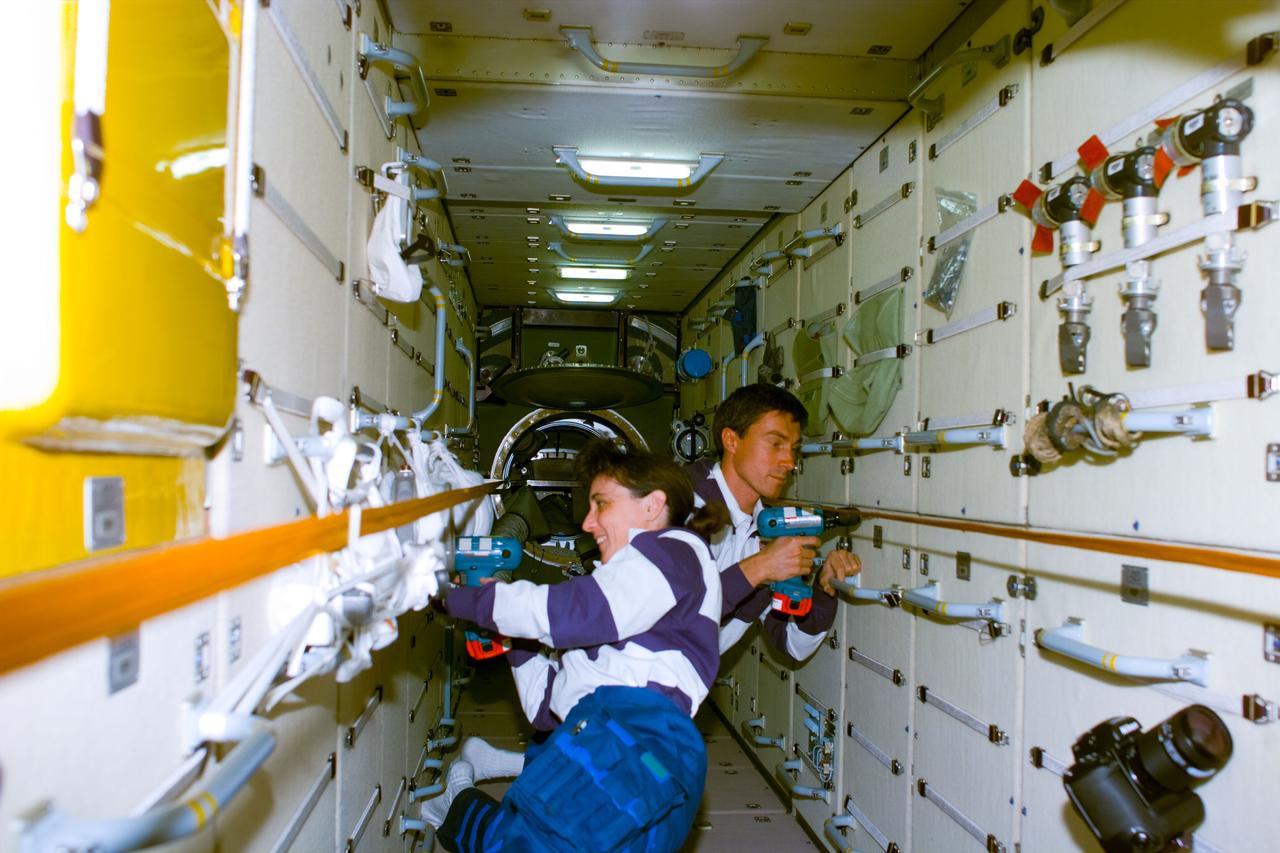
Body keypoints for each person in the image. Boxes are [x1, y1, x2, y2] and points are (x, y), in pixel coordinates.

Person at [424, 440, 728, 853]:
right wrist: (515, 639)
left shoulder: (672, 551)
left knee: (519, 847)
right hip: (631, 747)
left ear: (653, 506)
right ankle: (466, 794)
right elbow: (546, 710)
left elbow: (572, 612)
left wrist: (453, 597)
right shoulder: (630, 610)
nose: (587, 523)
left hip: (636, 739)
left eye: (601, 504)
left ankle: (456, 802)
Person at [690, 383, 861, 660]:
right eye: (775, 443)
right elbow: (673, 615)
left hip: (679, 688)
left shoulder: (765, 528)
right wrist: (759, 568)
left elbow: (793, 644)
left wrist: (823, 589)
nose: (789, 461)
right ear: (731, 440)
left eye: (793, 448)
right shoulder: (683, 508)